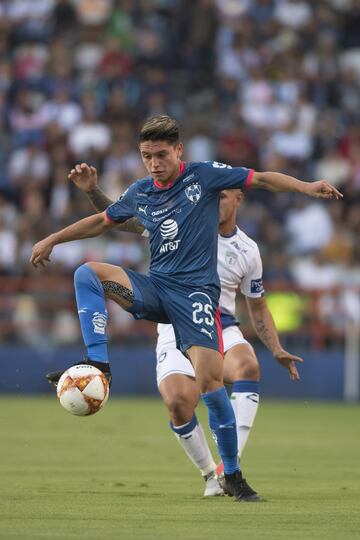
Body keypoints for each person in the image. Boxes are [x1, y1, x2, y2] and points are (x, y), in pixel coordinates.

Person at [30, 115, 341, 502]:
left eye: (161, 154)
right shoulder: (142, 191)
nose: (154, 163)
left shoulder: (205, 177)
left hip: (196, 297)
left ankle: (233, 475)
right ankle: (100, 365)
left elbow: (260, 178)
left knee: (211, 386)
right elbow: (103, 221)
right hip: (157, 288)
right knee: (87, 274)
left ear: (178, 150)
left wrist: (306, 186)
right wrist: (53, 239)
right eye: (147, 156)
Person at [64, 169, 303, 498]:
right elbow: (119, 217)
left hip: (220, 322)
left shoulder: (247, 250)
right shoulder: (178, 221)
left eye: (221, 195)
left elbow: (258, 307)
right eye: (213, 195)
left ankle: (228, 467)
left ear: (238, 198)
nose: (215, 200)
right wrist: (93, 191)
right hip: (173, 321)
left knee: (246, 366)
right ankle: (210, 475)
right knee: (178, 402)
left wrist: (275, 347)